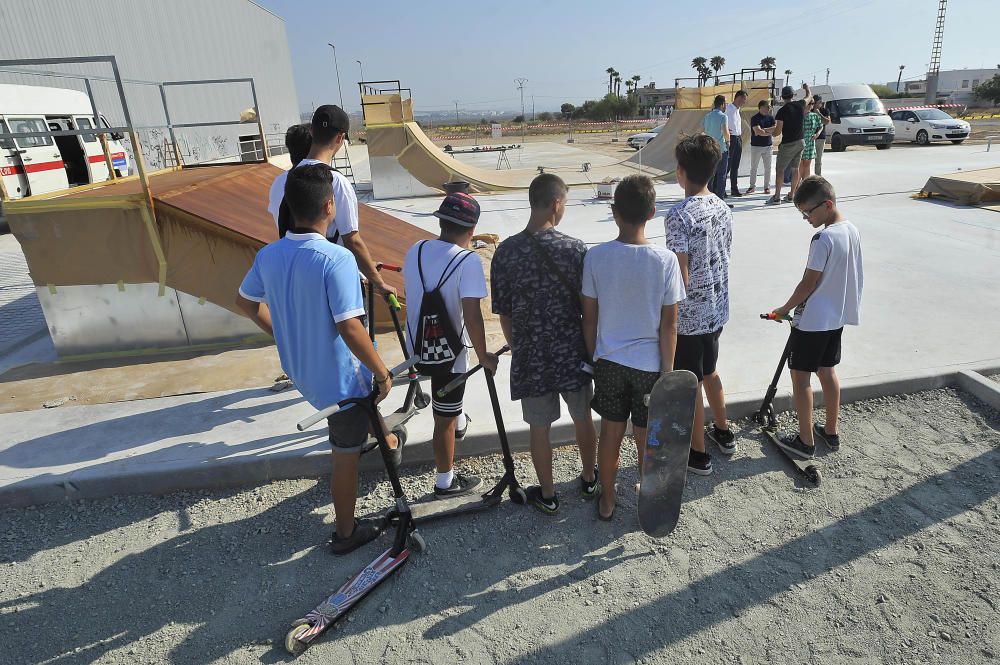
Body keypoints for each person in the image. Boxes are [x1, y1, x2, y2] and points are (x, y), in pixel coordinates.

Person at [236, 164, 403, 555]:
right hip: (337, 381)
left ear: (289, 207)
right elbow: (350, 328)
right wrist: (382, 372)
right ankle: (345, 532)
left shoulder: (269, 254)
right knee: (345, 450)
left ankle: (388, 440)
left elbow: (245, 301)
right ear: (330, 206)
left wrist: (285, 334)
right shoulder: (336, 258)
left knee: (365, 404)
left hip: (302, 370)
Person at [491, 174, 599, 514]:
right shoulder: (575, 249)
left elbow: (504, 313)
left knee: (539, 426)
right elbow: (589, 307)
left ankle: (549, 495)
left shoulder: (505, 253)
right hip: (573, 352)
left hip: (531, 356)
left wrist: (520, 346)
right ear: (556, 203)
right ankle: (588, 478)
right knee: (582, 416)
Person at [582, 175, 686, 521]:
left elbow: (589, 318)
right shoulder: (666, 260)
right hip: (649, 365)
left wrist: (592, 356)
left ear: (613, 212)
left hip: (609, 361)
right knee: (647, 436)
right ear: (653, 212)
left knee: (611, 432)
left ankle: (608, 498)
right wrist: (667, 375)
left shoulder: (596, 257)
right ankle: (652, 496)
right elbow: (669, 324)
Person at [403, 192, 497, 498]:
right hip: (448, 352)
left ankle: (458, 422)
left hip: (416, 345)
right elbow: (472, 315)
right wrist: (484, 357)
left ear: (440, 222)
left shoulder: (415, 249)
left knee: (450, 410)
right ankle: (445, 482)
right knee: (441, 418)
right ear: (471, 231)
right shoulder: (467, 260)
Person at [769, 176, 863, 458]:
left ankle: (805, 440)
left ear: (827, 204)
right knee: (827, 371)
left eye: (808, 212)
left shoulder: (823, 238)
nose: (807, 218)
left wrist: (783, 309)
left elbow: (808, 283)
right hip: (837, 317)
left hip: (812, 321)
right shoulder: (851, 230)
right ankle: (831, 431)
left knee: (800, 377)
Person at [267, 104, 395, 296]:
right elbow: (352, 241)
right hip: (333, 280)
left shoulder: (279, 182)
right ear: (340, 138)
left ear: (312, 131)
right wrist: (380, 283)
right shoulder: (337, 182)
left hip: (293, 280)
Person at [665, 135, 736, 474]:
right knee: (711, 371)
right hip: (717, 308)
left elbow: (680, 272)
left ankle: (698, 452)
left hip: (690, 317)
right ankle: (723, 431)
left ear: (680, 172)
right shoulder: (722, 206)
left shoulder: (679, 215)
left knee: (690, 382)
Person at [767, 83, 812, 205]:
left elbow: (777, 132)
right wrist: (807, 88)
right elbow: (809, 96)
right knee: (795, 169)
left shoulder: (782, 111)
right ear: (793, 95)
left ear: (782, 97)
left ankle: (777, 197)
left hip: (788, 144)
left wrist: (769, 132)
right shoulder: (801, 105)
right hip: (800, 142)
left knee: (780, 169)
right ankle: (792, 195)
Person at [701, 95, 731, 202]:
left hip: (709, 148)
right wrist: (729, 141)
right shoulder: (723, 116)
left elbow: (702, 131)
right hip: (721, 149)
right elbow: (726, 132)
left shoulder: (707, 116)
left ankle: (708, 198)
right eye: (725, 103)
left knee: (710, 175)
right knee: (721, 175)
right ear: (722, 104)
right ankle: (720, 200)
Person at [747, 100, 775, 195]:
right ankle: (752, 186)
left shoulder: (771, 118)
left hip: (768, 146)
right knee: (754, 167)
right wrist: (767, 131)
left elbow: (775, 130)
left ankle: (767, 187)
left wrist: (764, 130)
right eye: (768, 106)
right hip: (756, 146)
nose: (769, 108)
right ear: (761, 107)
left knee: (768, 168)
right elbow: (757, 132)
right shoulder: (755, 118)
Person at [725, 90, 748, 197]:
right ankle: (721, 189)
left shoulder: (738, 110)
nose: (744, 102)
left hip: (738, 138)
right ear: (738, 98)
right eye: (744, 99)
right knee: (727, 166)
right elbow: (724, 123)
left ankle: (734, 188)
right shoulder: (728, 109)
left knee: (735, 166)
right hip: (731, 138)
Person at [799, 100, 822, 179]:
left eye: (812, 103)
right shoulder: (799, 115)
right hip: (800, 141)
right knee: (800, 164)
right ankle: (797, 186)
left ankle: (805, 183)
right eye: (809, 103)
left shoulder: (815, 116)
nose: (810, 105)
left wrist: (817, 134)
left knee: (807, 164)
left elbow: (821, 126)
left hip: (810, 141)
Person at [813, 96, 831, 176]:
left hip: (820, 138)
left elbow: (827, 122)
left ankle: (818, 176)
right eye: (818, 102)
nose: (820, 104)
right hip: (810, 137)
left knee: (818, 160)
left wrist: (819, 114)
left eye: (821, 102)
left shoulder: (825, 110)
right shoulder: (809, 110)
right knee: (806, 159)